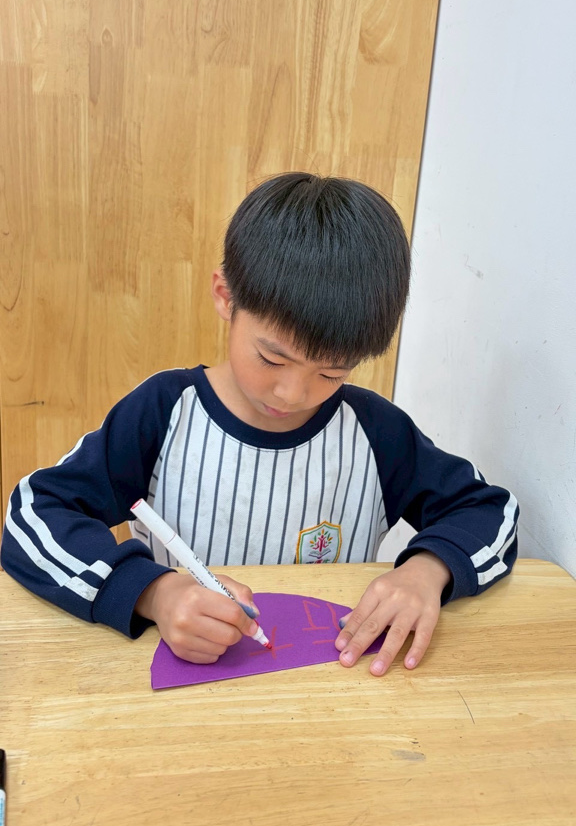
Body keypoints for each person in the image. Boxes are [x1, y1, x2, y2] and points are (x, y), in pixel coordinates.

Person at [1, 173, 518, 676]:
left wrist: (428, 571)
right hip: (185, 684)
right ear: (225, 296)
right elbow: (32, 515)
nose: (292, 394)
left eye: (331, 372)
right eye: (272, 358)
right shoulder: (163, 412)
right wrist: (153, 592)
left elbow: (489, 512)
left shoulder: (376, 433)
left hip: (332, 684)